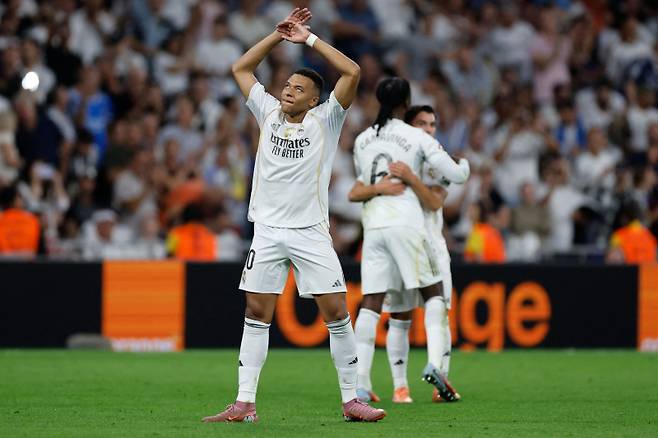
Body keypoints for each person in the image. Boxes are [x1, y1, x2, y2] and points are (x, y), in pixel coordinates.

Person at [202, 8, 386, 424]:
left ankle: (351, 399)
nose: (287, 91)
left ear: (313, 99)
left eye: (297, 88)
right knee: (256, 312)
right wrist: (277, 36)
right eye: (286, 85)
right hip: (267, 230)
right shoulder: (266, 112)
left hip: (310, 232)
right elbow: (241, 67)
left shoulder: (327, 119)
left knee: (337, 311)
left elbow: (352, 72)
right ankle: (244, 403)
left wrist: (309, 40)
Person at [348, 81, 469, 406]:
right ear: (407, 102)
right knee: (433, 293)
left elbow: (361, 183)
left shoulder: (362, 139)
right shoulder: (415, 137)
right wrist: (465, 167)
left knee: (371, 303)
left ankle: (359, 384)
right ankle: (434, 364)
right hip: (406, 225)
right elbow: (456, 176)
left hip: (373, 226)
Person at [0, 184, 40, 258]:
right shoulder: (32, 219)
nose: (22, 200)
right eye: (20, 197)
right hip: (28, 264)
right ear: (14, 200)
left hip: (3, 264)